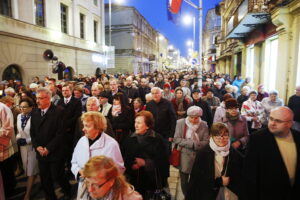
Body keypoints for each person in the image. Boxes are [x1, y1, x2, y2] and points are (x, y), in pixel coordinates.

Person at [244, 106, 300, 200]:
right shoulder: (257, 139)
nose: (272, 123)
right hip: (268, 195)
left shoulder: (298, 137)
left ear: (290, 123)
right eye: (271, 119)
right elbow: (250, 174)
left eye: (278, 121)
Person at [71, 111, 125, 199]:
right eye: (83, 125)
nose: (83, 129)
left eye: (87, 126)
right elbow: (74, 162)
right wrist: (79, 171)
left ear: (98, 127)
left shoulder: (111, 144)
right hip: (84, 187)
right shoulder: (82, 141)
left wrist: (98, 177)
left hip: (103, 191)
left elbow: (119, 169)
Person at [30, 87, 71, 200]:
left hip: (55, 151)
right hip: (41, 151)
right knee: (45, 179)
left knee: (57, 176)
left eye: (40, 98)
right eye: (36, 98)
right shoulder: (34, 112)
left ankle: (68, 190)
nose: (37, 101)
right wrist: (37, 146)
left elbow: (60, 134)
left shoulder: (59, 111)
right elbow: (32, 133)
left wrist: (48, 148)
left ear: (48, 98)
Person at [186, 123, 243, 200]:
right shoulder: (203, 153)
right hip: (209, 194)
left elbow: (241, 177)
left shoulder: (235, 154)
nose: (222, 138)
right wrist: (218, 182)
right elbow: (197, 179)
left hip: (229, 194)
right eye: (218, 136)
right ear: (211, 137)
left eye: (225, 135)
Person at [121, 111, 169, 199]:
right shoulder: (129, 139)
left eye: (139, 123)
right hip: (133, 182)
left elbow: (164, 163)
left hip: (151, 184)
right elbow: (123, 157)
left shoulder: (158, 140)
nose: (136, 125)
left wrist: (146, 163)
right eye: (135, 122)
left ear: (147, 125)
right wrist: (131, 165)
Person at [173, 106, 209, 197]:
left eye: (196, 118)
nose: (193, 120)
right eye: (191, 117)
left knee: (196, 178)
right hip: (183, 154)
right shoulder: (180, 123)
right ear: (188, 116)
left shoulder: (204, 124)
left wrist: (196, 145)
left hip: (198, 155)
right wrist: (191, 143)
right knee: (184, 180)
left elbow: (206, 141)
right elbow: (176, 139)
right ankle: (187, 196)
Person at [16, 97, 38, 200]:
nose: (22, 109)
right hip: (23, 148)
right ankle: (35, 178)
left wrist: (28, 141)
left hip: (33, 147)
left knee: (30, 171)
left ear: (31, 108)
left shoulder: (35, 117)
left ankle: (27, 194)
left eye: (25, 107)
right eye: (20, 107)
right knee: (28, 170)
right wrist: (18, 138)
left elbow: (38, 134)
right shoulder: (19, 116)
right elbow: (19, 132)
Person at [57, 84, 82, 172]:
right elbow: (58, 116)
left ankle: (72, 169)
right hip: (63, 132)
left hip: (72, 130)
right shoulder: (59, 102)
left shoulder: (76, 101)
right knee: (63, 151)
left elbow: (77, 116)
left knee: (72, 151)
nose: (64, 92)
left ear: (71, 91)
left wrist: (67, 125)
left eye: (66, 90)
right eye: (63, 91)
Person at [0, 101, 16, 198]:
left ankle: (9, 192)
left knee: (6, 173)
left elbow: (8, 128)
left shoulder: (2, 108)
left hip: (3, 147)